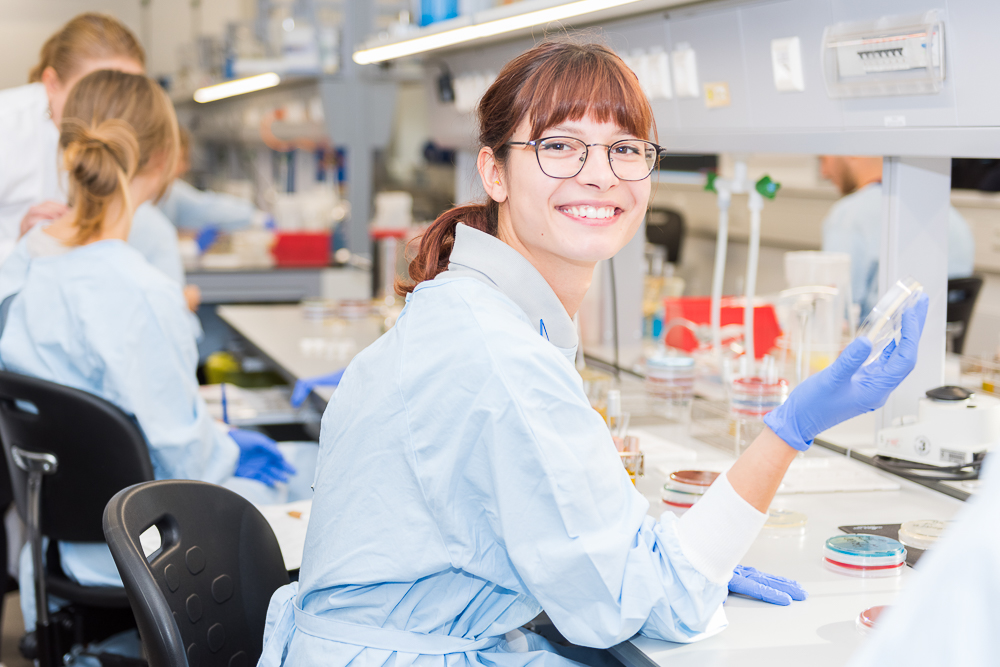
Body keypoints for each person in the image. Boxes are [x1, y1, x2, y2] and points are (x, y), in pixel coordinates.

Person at [257, 41, 928, 667]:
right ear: (493, 170)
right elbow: (644, 601)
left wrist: (680, 550)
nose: (599, 175)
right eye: (560, 146)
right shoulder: (499, 355)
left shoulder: (478, 310)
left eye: (625, 149)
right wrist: (787, 431)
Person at [0, 70, 315, 635]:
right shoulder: (139, 292)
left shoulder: (25, 258)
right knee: (311, 471)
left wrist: (215, 438)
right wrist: (226, 444)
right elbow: (188, 462)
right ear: (165, 159)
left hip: (60, 539)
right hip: (147, 545)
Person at [0, 12, 200, 311]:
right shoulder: (8, 126)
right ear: (51, 83)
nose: (114, 113)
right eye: (94, 91)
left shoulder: (148, 214)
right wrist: (20, 246)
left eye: (126, 94)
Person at [819, 155, 975, 318]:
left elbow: (837, 314)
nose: (824, 173)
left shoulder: (848, 215)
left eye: (823, 160)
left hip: (879, 341)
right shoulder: (952, 217)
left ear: (853, 153)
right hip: (936, 342)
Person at [159, 127, 261, 232]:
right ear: (160, 157)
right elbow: (206, 208)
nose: (186, 167)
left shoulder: (169, 191)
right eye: (181, 158)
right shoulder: (158, 193)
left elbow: (206, 206)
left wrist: (253, 216)